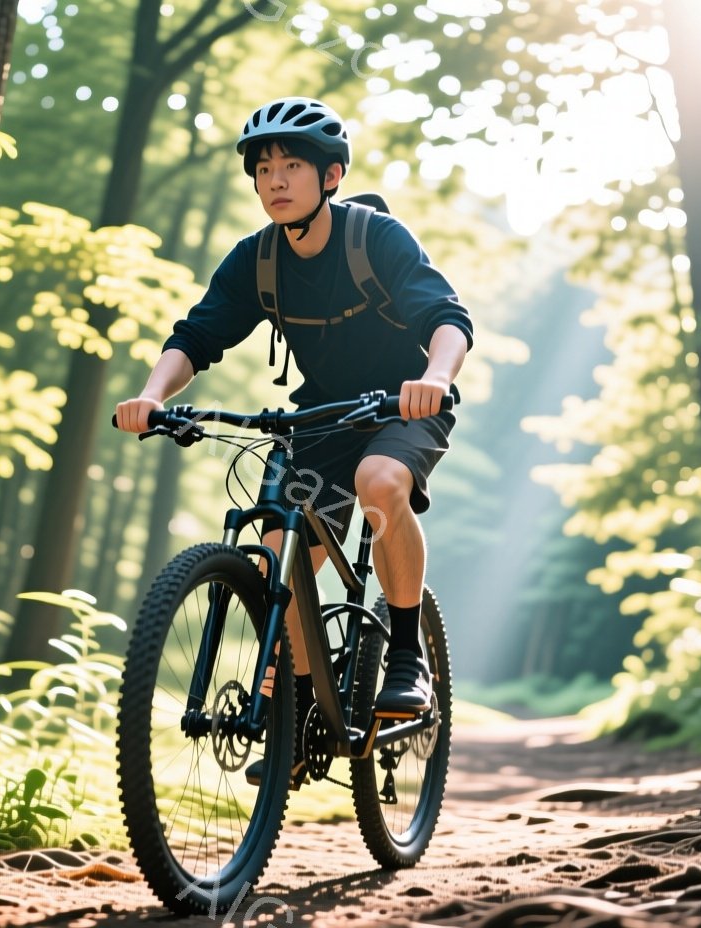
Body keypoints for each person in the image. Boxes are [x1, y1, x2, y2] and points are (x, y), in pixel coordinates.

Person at [114, 96, 472, 786]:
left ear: (331, 176)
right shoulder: (258, 260)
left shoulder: (377, 239)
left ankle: (405, 653)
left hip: (404, 402)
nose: (275, 180)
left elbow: (448, 318)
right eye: (264, 169)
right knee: (278, 547)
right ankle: (307, 702)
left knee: (380, 484)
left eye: (292, 166)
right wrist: (153, 396)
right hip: (322, 417)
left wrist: (434, 375)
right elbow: (197, 336)